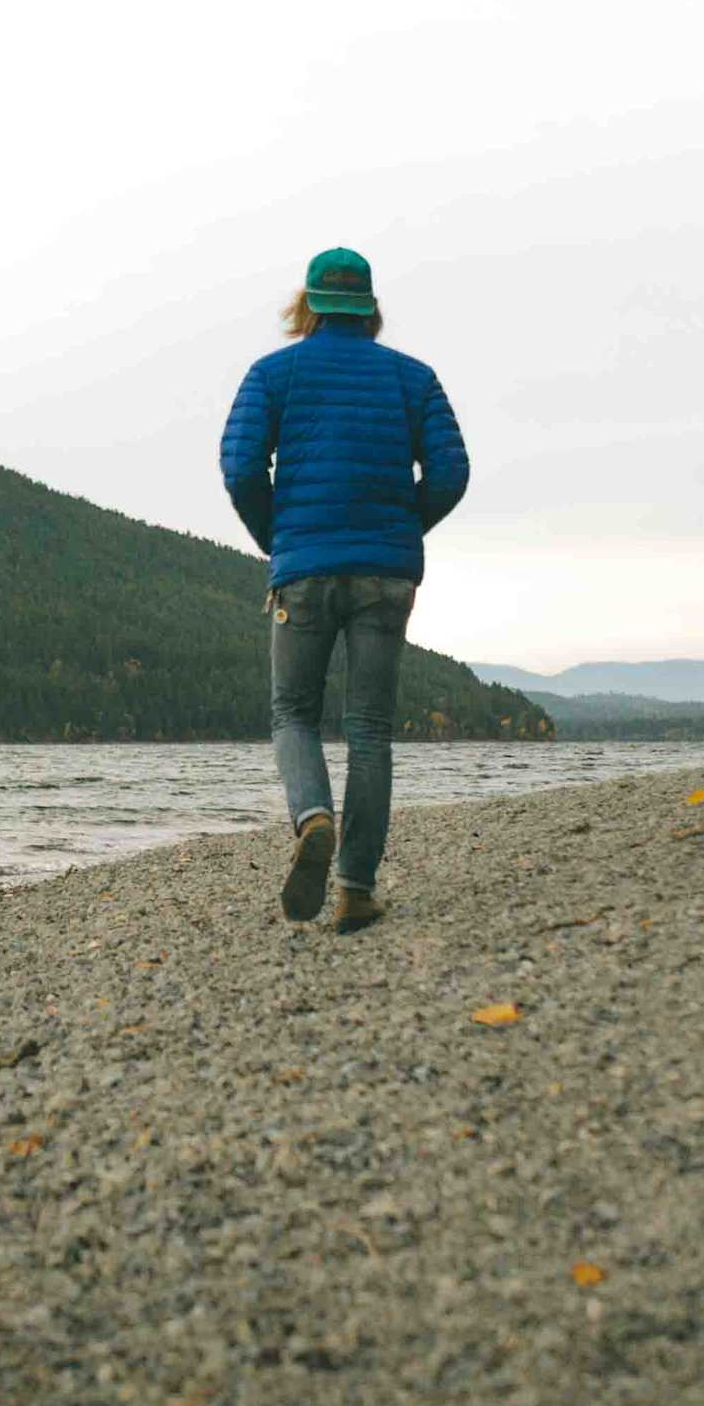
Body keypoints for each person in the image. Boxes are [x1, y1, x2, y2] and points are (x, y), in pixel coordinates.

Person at [217, 246, 469, 931]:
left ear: (309, 305)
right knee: (370, 729)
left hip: (304, 567)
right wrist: (400, 528)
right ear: (369, 308)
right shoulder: (414, 378)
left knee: (293, 713)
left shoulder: (272, 375)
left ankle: (313, 817)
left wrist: (278, 535)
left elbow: (241, 468)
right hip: (386, 575)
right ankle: (356, 889)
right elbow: (451, 471)